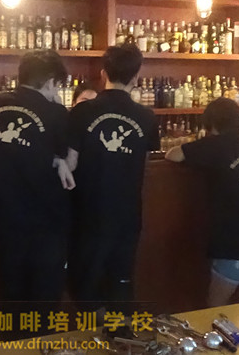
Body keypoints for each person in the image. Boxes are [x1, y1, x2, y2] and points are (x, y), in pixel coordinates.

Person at [66, 44, 159, 310]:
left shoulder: (82, 112)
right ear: (136, 76)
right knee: (120, 281)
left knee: (86, 285)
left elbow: (70, 163)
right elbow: (145, 163)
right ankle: (120, 333)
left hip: (88, 213)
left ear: (103, 73)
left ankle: (90, 332)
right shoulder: (147, 117)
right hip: (127, 213)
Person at [166, 98, 239, 307]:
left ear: (211, 124)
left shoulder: (213, 145)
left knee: (215, 308)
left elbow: (173, 155)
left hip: (235, 247)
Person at [0, 49, 75, 302]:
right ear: (51, 82)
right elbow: (66, 156)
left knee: (11, 288)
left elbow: (22, 150)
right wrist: (57, 159)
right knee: (45, 292)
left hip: (4, 211)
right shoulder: (56, 113)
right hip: (45, 214)